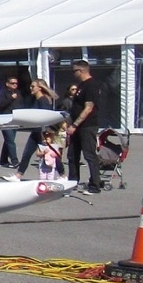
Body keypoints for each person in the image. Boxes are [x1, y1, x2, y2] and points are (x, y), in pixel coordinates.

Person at [66, 60, 105, 193]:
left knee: (89, 155)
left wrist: (75, 125)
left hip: (87, 125)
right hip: (76, 127)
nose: (73, 74)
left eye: (74, 71)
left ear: (81, 71)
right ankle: (72, 182)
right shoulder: (81, 85)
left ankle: (95, 185)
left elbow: (88, 108)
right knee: (72, 155)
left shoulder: (92, 85)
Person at [15, 79, 57, 176]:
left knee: (49, 154)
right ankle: (18, 175)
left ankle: (63, 175)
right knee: (27, 154)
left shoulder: (43, 100)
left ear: (40, 88)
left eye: (33, 86)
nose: (31, 88)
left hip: (41, 132)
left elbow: (45, 117)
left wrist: (44, 134)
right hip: (37, 131)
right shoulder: (38, 100)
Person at [0, 75, 21, 166]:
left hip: (15, 118)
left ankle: (3, 161)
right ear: (7, 84)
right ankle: (15, 161)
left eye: (16, 83)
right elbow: (1, 105)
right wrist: (11, 98)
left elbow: (20, 105)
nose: (15, 85)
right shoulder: (2, 93)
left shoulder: (17, 92)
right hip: (5, 119)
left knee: (9, 140)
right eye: (12, 83)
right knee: (10, 140)